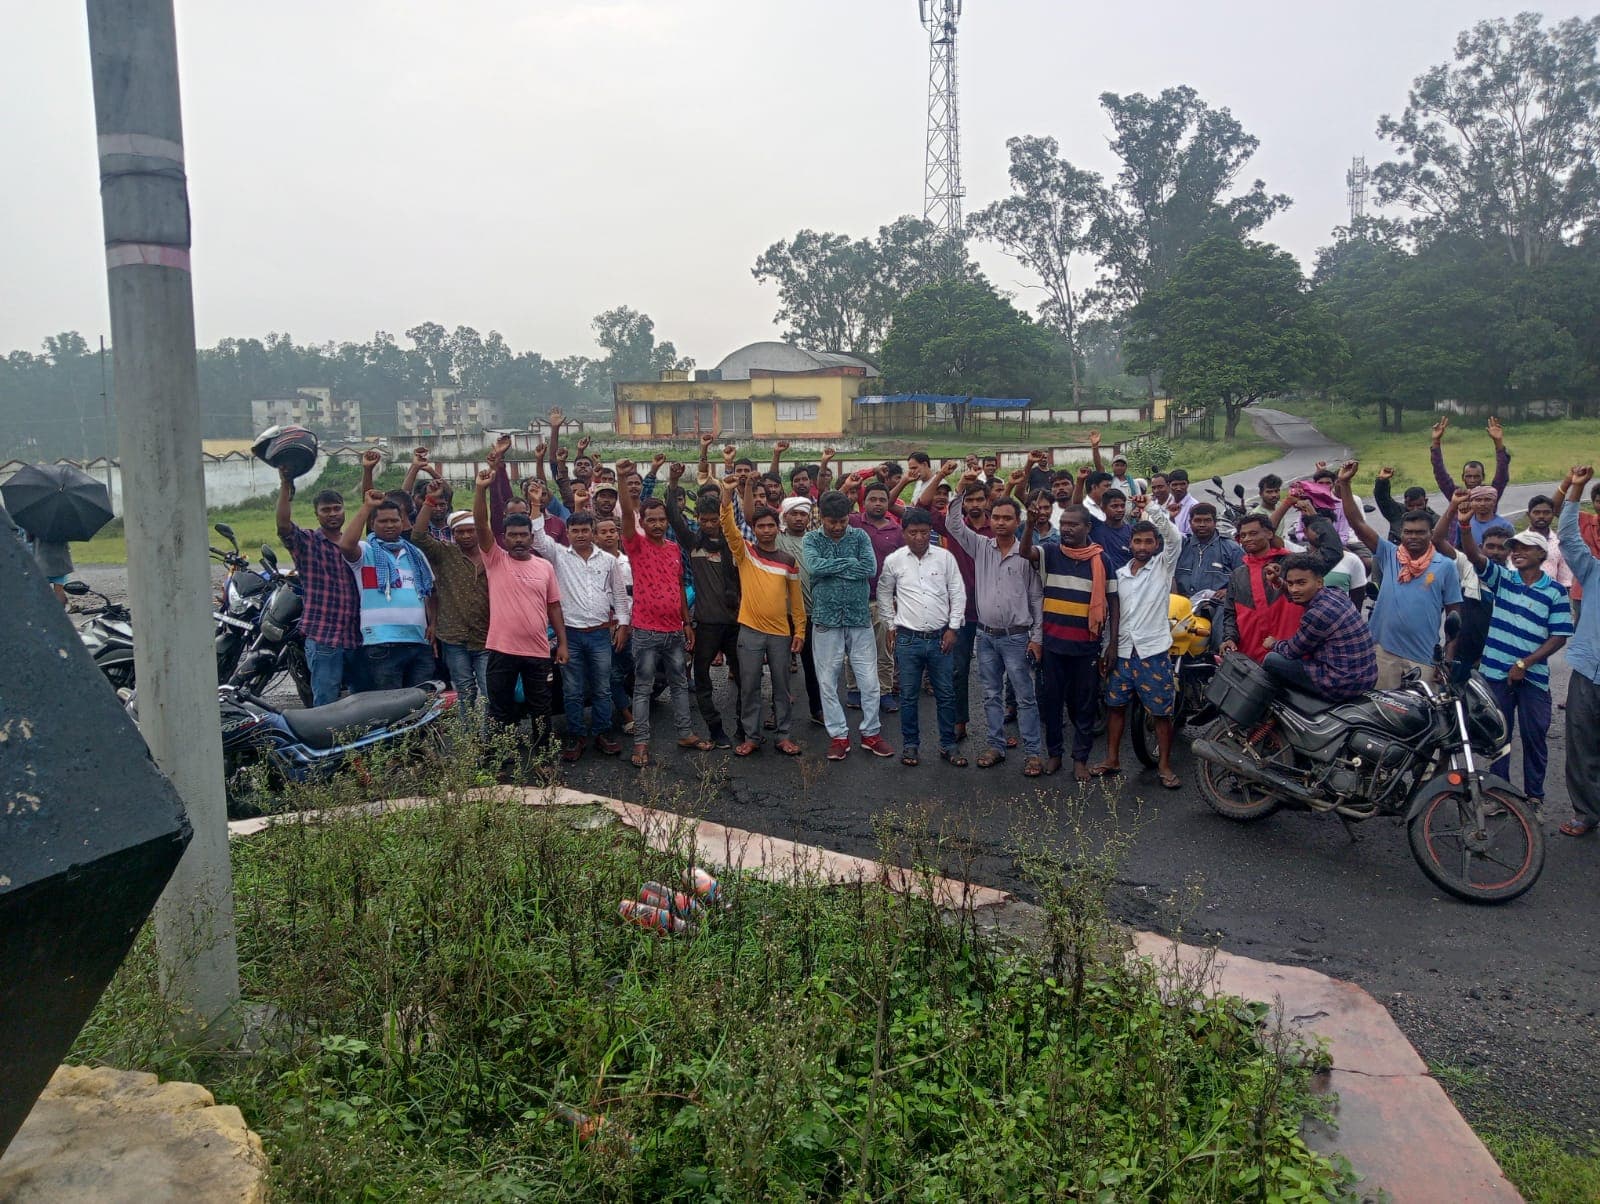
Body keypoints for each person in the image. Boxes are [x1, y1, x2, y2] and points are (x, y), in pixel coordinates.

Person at [1445, 491, 1571, 809]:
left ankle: (1534, 798)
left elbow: (1559, 636)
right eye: (1515, 549)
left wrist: (1525, 663)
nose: (1516, 553)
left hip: (1533, 676)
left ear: (1541, 554)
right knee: (1499, 737)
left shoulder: (1555, 592)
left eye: (1524, 548)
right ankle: (1499, 795)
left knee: (1534, 736)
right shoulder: (1503, 579)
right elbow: (1475, 558)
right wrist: (1464, 527)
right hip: (1495, 672)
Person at [468, 470, 568, 766]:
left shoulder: (544, 567)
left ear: (531, 536)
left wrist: (562, 643)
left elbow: (554, 607)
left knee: (541, 710)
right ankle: (499, 760)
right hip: (502, 650)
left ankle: (544, 761)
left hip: (538, 652)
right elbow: (480, 524)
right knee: (500, 709)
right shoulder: (496, 559)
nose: (519, 540)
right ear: (505, 538)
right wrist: (480, 489)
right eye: (513, 535)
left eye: (524, 535)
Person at [946, 483, 1045, 777]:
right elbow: (953, 524)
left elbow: (1036, 598)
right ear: (991, 519)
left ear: (1018, 521)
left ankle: (1033, 753)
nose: (1001, 523)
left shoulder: (1028, 554)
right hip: (986, 635)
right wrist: (960, 492)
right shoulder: (980, 546)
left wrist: (1037, 638)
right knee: (990, 695)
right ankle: (996, 746)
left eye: (1007, 518)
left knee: (1025, 697)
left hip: (1017, 636)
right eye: (997, 517)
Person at [1338, 460, 1461, 689]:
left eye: (1420, 532)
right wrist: (1344, 483)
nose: (1413, 537)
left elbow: (1455, 615)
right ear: (1401, 534)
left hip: (1423, 658)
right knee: (1381, 708)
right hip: (1382, 654)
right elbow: (1356, 521)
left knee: (1423, 710)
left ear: (1431, 534)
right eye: (1408, 532)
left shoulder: (1445, 566)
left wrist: (1447, 658)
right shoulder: (1389, 554)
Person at [527, 496, 630, 762]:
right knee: (572, 690)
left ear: (593, 532)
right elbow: (539, 540)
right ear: (568, 533)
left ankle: (602, 732)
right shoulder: (559, 556)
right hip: (570, 634)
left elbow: (619, 595)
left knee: (602, 688)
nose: (581, 535)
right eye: (575, 530)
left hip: (600, 634)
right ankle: (576, 735)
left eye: (585, 530)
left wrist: (623, 624)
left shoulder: (607, 561)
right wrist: (536, 506)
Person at [616, 459, 705, 766]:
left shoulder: (673, 549)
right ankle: (641, 743)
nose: (657, 524)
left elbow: (679, 585)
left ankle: (685, 733)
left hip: (674, 631)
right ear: (642, 522)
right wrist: (621, 478)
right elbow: (626, 515)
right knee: (642, 688)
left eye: (661, 519)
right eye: (650, 520)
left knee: (679, 684)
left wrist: (686, 622)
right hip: (645, 631)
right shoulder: (636, 545)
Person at [1093, 495, 1182, 788]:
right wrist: (1108, 648)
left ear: (1156, 545)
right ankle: (1112, 759)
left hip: (1152, 653)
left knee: (1161, 713)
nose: (1143, 547)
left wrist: (1152, 508)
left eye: (1148, 542)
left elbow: (1174, 538)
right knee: (1115, 707)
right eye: (1138, 542)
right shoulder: (1119, 575)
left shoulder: (1162, 568)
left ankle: (1164, 765)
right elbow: (1114, 616)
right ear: (1130, 544)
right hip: (1122, 654)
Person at [1028, 503, 1118, 780]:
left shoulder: (1102, 561)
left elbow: (1114, 603)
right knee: (1052, 704)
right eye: (1063, 523)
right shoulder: (1050, 552)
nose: (1066, 528)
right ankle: (1054, 754)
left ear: (1088, 527)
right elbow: (1024, 552)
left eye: (1073, 524)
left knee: (1084, 706)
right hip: (1053, 645)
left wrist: (1112, 644)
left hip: (1086, 647)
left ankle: (1080, 759)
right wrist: (1029, 524)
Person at [718, 477, 806, 757]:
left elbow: (796, 602)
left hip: (780, 634)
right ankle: (752, 737)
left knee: (782, 687)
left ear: (778, 528)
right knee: (750, 687)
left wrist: (800, 631)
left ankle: (783, 735)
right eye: (761, 526)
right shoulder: (745, 552)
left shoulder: (788, 561)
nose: (766, 530)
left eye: (770, 525)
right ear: (754, 529)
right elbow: (728, 526)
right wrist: (726, 495)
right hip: (750, 631)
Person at [803, 490, 893, 761]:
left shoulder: (860, 536)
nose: (838, 526)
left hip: (858, 618)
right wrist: (849, 563)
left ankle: (871, 733)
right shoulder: (811, 539)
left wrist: (832, 567)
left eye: (842, 521)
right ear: (821, 517)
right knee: (827, 681)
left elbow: (870, 569)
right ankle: (839, 736)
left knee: (869, 680)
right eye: (832, 522)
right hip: (826, 619)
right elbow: (814, 567)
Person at [878, 506, 966, 768]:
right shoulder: (894, 560)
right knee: (908, 696)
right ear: (904, 532)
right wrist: (890, 624)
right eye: (913, 532)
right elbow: (884, 592)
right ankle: (910, 745)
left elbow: (957, 592)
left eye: (924, 532)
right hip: (908, 639)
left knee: (946, 694)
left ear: (931, 532)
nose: (919, 537)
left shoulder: (945, 558)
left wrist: (953, 628)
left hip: (941, 639)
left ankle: (948, 745)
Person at [276, 458, 366, 705]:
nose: (332, 513)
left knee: (363, 701)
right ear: (317, 514)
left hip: (357, 635)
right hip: (324, 635)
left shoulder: (355, 545)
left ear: (344, 510)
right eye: (326, 510)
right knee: (326, 701)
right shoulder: (307, 543)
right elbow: (283, 526)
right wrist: (286, 485)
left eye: (337, 508)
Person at [666, 479, 744, 748]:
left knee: (744, 678)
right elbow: (674, 517)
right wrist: (672, 484)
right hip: (707, 624)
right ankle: (715, 729)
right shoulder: (693, 543)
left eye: (714, 519)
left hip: (734, 623)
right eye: (704, 519)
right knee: (702, 678)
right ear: (697, 518)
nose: (709, 524)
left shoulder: (733, 544)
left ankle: (743, 728)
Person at [339, 488, 437, 690]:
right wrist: (367, 506)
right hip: (382, 644)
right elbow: (346, 545)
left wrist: (433, 624)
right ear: (372, 524)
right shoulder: (365, 552)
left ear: (403, 522)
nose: (390, 525)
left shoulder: (415, 554)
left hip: (418, 642)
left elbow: (431, 592)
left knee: (422, 702)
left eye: (394, 520)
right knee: (391, 703)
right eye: (383, 521)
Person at [1218, 508, 1343, 663]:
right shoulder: (1237, 575)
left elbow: (1332, 552)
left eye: (1253, 533)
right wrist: (1229, 638)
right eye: (1243, 535)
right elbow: (1230, 613)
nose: (1247, 538)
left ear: (1269, 534)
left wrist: (1313, 517)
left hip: (1291, 658)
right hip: (1250, 663)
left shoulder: (1293, 565)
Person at [411, 485, 490, 709]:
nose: (466, 535)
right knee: (465, 690)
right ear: (453, 534)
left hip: (486, 635)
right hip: (454, 637)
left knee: (489, 691)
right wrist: (429, 501)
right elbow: (418, 536)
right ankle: (468, 731)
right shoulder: (444, 553)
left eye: (470, 530)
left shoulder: (492, 556)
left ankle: (490, 732)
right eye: (460, 532)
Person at [1260, 553, 1378, 700]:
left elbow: (1292, 651)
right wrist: (1279, 582)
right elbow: (1298, 596)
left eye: (1301, 583)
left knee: (1272, 660)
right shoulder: (1336, 593)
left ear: (1319, 582)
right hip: (1367, 678)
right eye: (1290, 584)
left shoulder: (1318, 613)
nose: (1294, 589)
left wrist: (1273, 643)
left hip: (1343, 684)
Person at [1555, 465, 1600, 837]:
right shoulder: (1594, 571)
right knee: (1581, 743)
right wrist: (1576, 488)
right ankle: (1586, 812)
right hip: (1588, 670)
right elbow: (1568, 537)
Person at [848, 479, 903, 713]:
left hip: (884, 601)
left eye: (882, 499)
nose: (877, 503)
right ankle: (854, 689)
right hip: (855, 598)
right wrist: (848, 486)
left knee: (885, 650)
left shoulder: (897, 531)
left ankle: (884, 692)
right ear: (864, 502)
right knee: (854, 648)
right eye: (872, 499)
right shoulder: (852, 522)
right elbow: (829, 505)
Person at [1430, 415, 1510, 504]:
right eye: (1468, 476)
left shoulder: (1490, 495)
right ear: (1463, 477)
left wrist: (1498, 442)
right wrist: (1436, 441)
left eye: (1476, 477)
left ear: (1483, 477)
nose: (1472, 480)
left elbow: (1502, 474)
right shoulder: (1457, 496)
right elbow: (1439, 472)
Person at [1173, 503, 1242, 600]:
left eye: (1207, 520)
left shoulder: (1232, 549)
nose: (1202, 525)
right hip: (1182, 605)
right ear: (1190, 522)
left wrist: (1229, 591)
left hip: (1217, 605)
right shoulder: (1181, 547)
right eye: (1197, 520)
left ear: (1215, 522)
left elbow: (1245, 580)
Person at [1090, 488, 1133, 571]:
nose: (1120, 510)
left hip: (1124, 577)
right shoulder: (1095, 526)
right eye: (1114, 506)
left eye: (1122, 506)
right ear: (1103, 508)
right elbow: (1077, 506)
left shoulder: (1132, 531)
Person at [1165, 469, 1197, 534]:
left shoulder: (1194, 506)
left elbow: (1190, 536)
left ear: (1188, 484)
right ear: (1168, 485)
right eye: (1175, 485)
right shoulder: (1168, 502)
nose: (1178, 488)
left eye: (1182, 484)